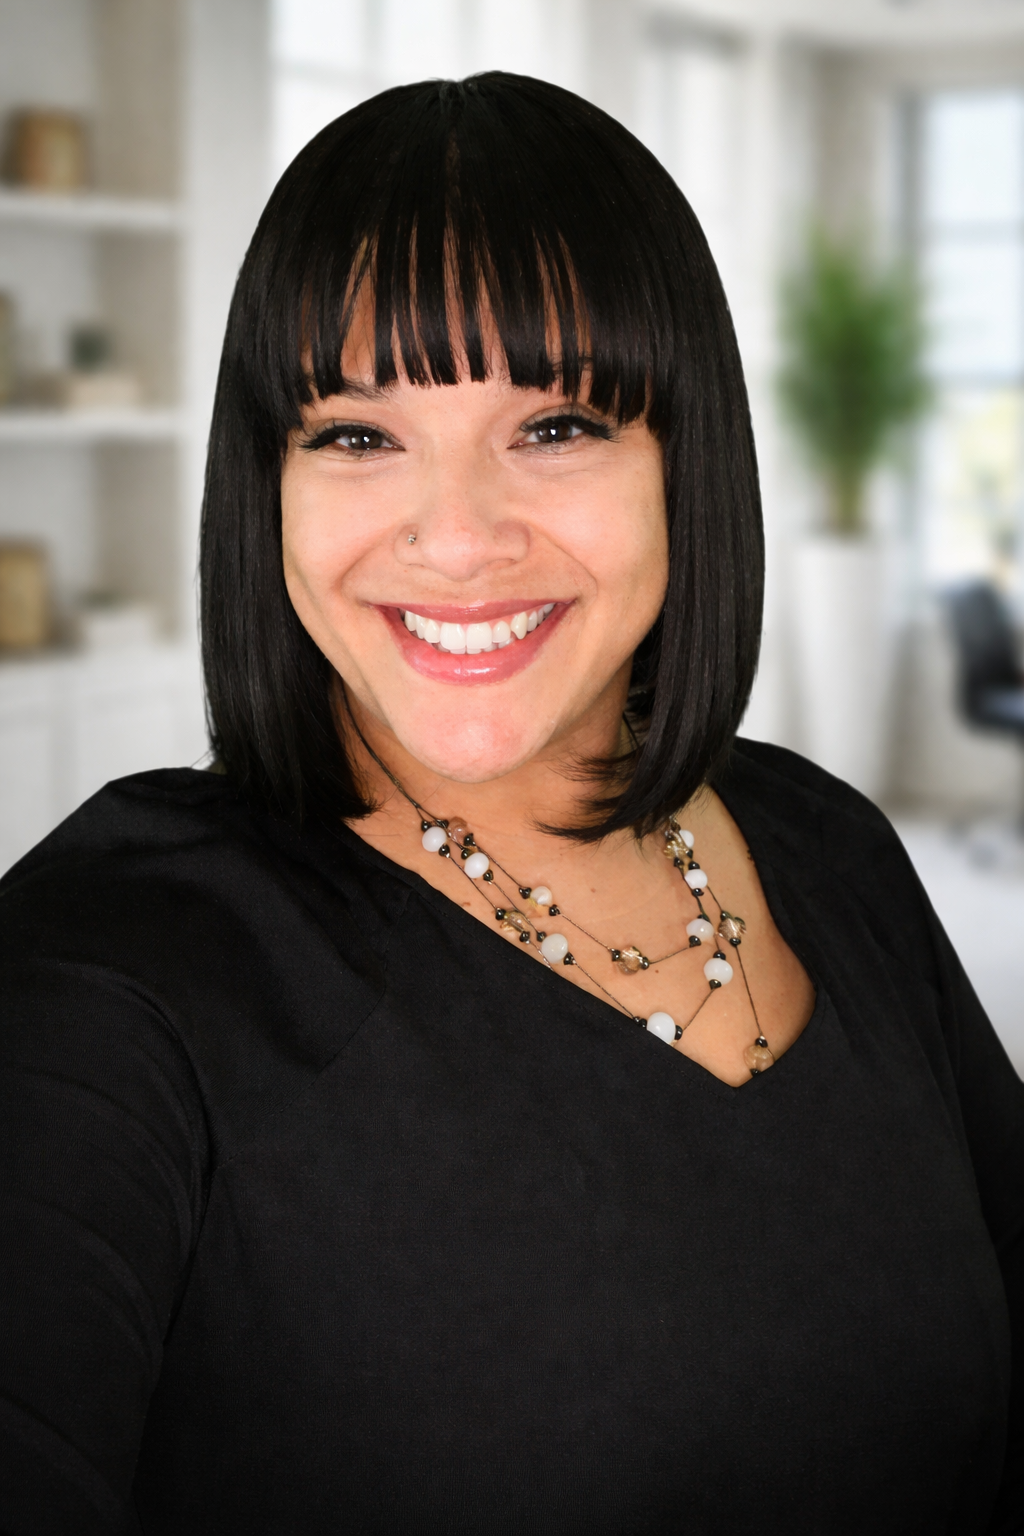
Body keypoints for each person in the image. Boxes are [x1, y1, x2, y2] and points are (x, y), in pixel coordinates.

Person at [1, 72, 1021, 1536]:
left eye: (555, 426)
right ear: (266, 483)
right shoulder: (111, 972)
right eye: (356, 434)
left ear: (687, 461)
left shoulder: (828, 847)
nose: (460, 537)